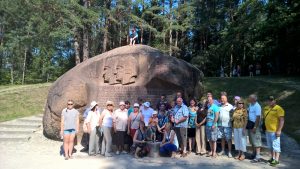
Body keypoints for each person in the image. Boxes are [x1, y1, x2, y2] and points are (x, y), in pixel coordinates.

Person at [263, 96, 285, 167]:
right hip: (267, 130)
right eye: (269, 100)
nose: (270, 102)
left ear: (275, 101)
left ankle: (276, 160)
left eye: (272, 100)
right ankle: (272, 158)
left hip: (274, 131)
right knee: (270, 146)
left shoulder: (279, 109)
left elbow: (282, 120)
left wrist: (279, 130)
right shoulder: (265, 108)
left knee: (276, 146)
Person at [218, 94, 234, 158]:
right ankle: (223, 150)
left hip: (228, 125)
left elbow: (233, 116)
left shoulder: (230, 106)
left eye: (223, 98)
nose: (222, 99)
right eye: (221, 98)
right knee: (222, 138)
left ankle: (230, 152)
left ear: (226, 99)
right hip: (220, 124)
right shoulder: (219, 106)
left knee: (229, 139)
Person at [247, 94, 262, 162]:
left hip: (255, 125)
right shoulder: (250, 104)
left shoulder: (257, 106)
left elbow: (258, 117)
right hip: (250, 123)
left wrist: (255, 127)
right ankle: (254, 153)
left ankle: (258, 156)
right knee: (252, 140)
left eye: (249, 98)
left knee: (256, 141)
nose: (248, 99)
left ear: (253, 99)